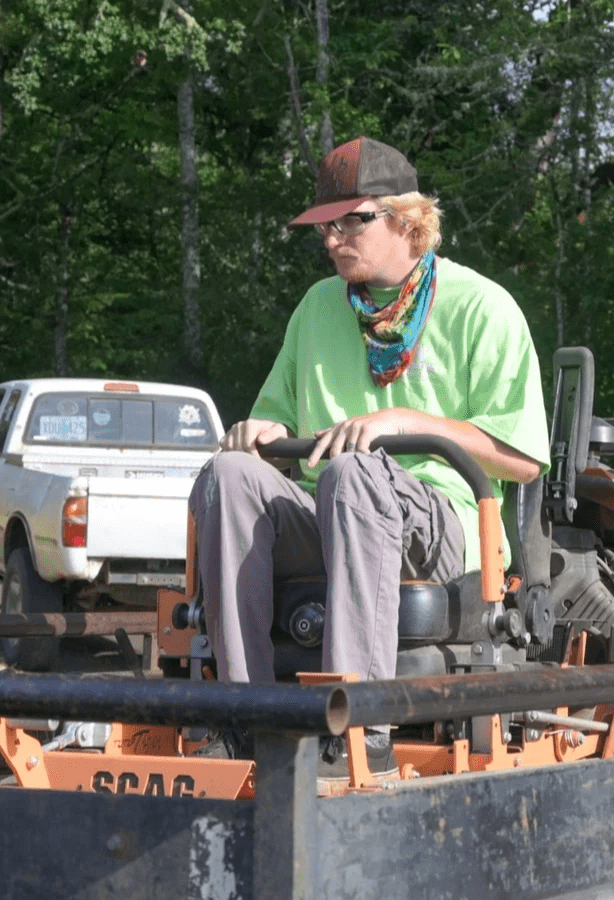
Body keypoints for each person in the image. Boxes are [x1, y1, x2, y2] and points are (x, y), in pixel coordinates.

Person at [189, 136, 550, 782]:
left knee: (354, 473)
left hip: (438, 528)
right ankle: (241, 715)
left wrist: (401, 423)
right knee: (228, 475)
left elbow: (521, 459)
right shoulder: (315, 309)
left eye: (348, 222)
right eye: (323, 226)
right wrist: (260, 431)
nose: (330, 240)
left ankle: (358, 728)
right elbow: (278, 421)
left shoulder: (482, 307)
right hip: (334, 512)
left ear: (406, 219)